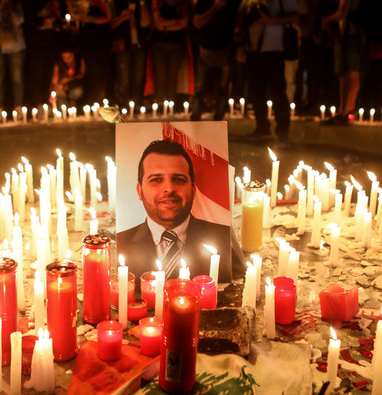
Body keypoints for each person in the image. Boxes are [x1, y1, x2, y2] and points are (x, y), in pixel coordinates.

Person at [117, 140, 231, 286]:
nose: (169, 188)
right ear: (140, 191)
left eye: (178, 179)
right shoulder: (120, 244)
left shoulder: (224, 240)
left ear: (193, 190)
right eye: (156, 179)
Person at [242, 0, 297, 142]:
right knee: (256, 92)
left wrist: (269, 20)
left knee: (278, 90)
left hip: (274, 50)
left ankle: (283, 129)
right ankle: (261, 127)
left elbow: (295, 18)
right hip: (253, 50)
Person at [190, 0, 241, 121]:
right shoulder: (203, 3)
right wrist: (215, 8)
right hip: (205, 51)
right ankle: (196, 116)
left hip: (226, 51)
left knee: (223, 88)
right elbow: (197, 23)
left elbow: (238, 24)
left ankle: (219, 118)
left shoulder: (233, 3)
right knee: (199, 88)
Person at [0, 0, 26, 116]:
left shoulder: (16, 4)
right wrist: (0, 6)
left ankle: (18, 106)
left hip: (16, 45)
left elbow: (19, 20)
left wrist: (10, 9)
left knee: (17, 76)